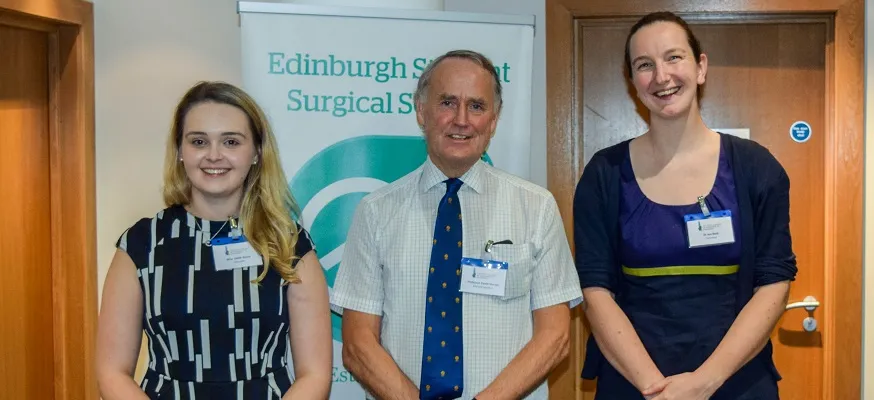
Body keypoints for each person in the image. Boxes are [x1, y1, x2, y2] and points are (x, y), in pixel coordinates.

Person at [330, 49, 583, 400]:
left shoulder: (535, 207)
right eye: (447, 102)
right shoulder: (375, 212)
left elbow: (555, 338)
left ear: (493, 121)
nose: (461, 119)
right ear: (422, 111)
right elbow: (358, 344)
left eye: (476, 106)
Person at [573, 11, 798, 400]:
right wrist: (654, 388)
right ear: (633, 82)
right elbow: (594, 288)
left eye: (674, 57)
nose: (661, 76)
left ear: (701, 67)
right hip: (633, 384)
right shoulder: (604, 174)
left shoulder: (755, 167)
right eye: (645, 65)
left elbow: (774, 283)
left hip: (736, 382)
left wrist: (704, 382)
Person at [96, 81, 332, 399]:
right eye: (198, 141)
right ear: (180, 151)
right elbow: (111, 373)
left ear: (257, 153)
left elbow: (315, 375)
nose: (214, 155)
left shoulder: (289, 245)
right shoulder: (142, 246)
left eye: (231, 141)